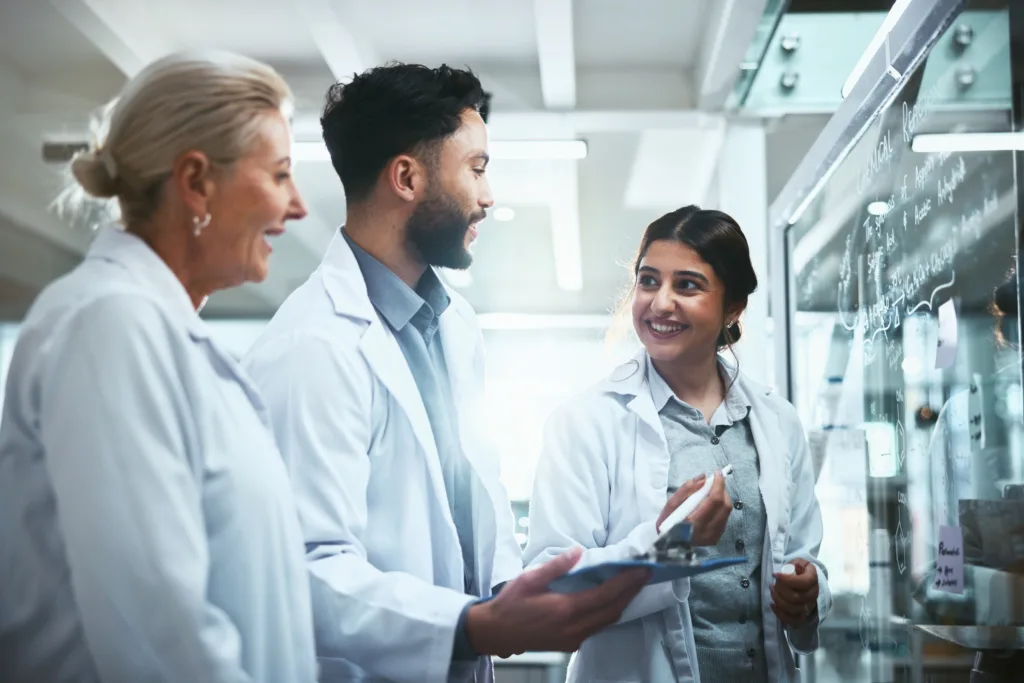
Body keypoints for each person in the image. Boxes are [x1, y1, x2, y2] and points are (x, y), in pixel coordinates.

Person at [241, 63, 647, 683]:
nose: (489, 196)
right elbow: (304, 572)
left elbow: (474, 499)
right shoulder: (311, 346)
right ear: (406, 177)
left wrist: (523, 591)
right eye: (477, 169)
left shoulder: (453, 325)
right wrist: (473, 626)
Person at [0, 51, 317, 683]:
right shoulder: (109, 325)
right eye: (280, 175)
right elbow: (158, 637)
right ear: (196, 181)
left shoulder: (157, 329)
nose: (298, 206)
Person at [524, 205, 832, 683]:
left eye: (686, 285)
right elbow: (551, 590)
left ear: (733, 307)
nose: (660, 302)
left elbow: (804, 554)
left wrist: (809, 593)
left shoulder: (776, 420)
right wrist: (673, 549)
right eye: (648, 281)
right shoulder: (587, 421)